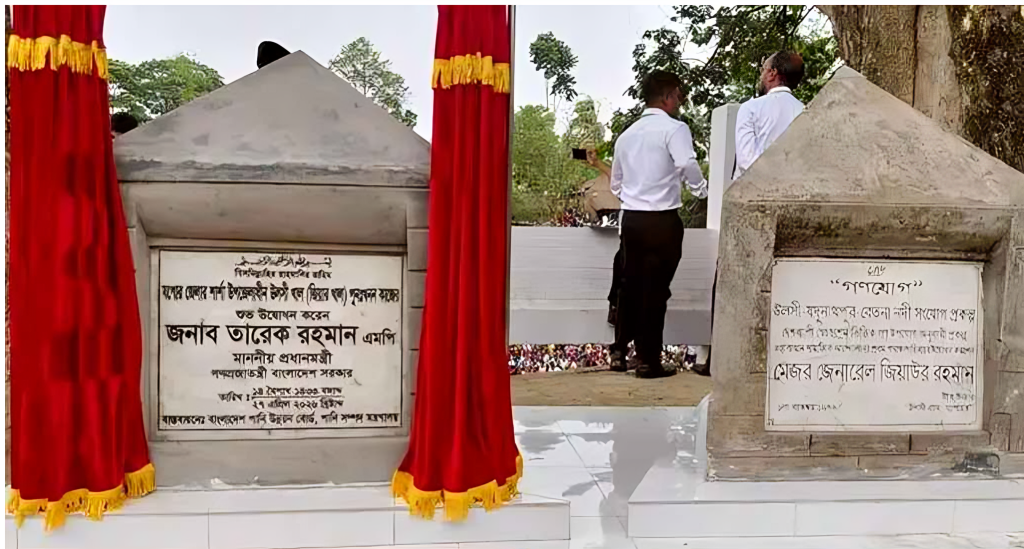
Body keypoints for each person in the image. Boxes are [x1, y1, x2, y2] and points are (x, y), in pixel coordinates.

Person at [691, 50, 805, 377]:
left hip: (753, 208)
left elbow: (748, 159)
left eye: (762, 68)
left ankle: (718, 356)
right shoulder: (807, 114)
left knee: (731, 282)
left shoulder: (752, 109)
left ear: (771, 74)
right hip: (792, 206)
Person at [605, 70, 708, 379]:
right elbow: (686, 163)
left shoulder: (627, 135)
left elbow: (616, 184)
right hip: (662, 220)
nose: (679, 102)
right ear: (668, 96)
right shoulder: (674, 129)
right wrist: (701, 189)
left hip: (633, 220)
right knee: (657, 290)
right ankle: (649, 360)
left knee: (634, 288)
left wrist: (637, 197)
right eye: (678, 96)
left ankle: (637, 353)